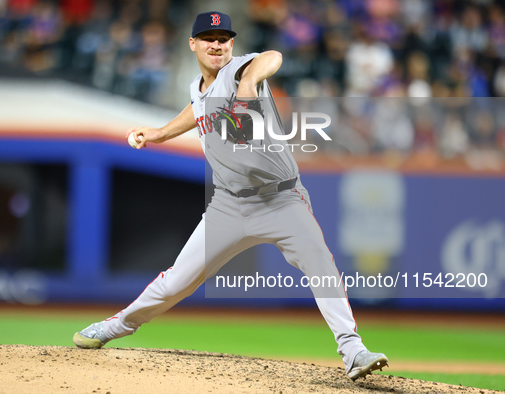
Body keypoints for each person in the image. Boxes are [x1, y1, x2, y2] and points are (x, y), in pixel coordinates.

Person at [73, 11, 388, 381]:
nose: (217, 44)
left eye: (223, 38)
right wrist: (160, 133)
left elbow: (272, 57)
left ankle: (352, 350)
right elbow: (199, 108)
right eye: (208, 38)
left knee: (320, 263)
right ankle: (115, 326)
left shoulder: (239, 70)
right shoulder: (197, 86)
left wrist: (250, 81)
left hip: (282, 199)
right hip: (229, 204)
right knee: (178, 281)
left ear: (232, 45)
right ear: (193, 44)